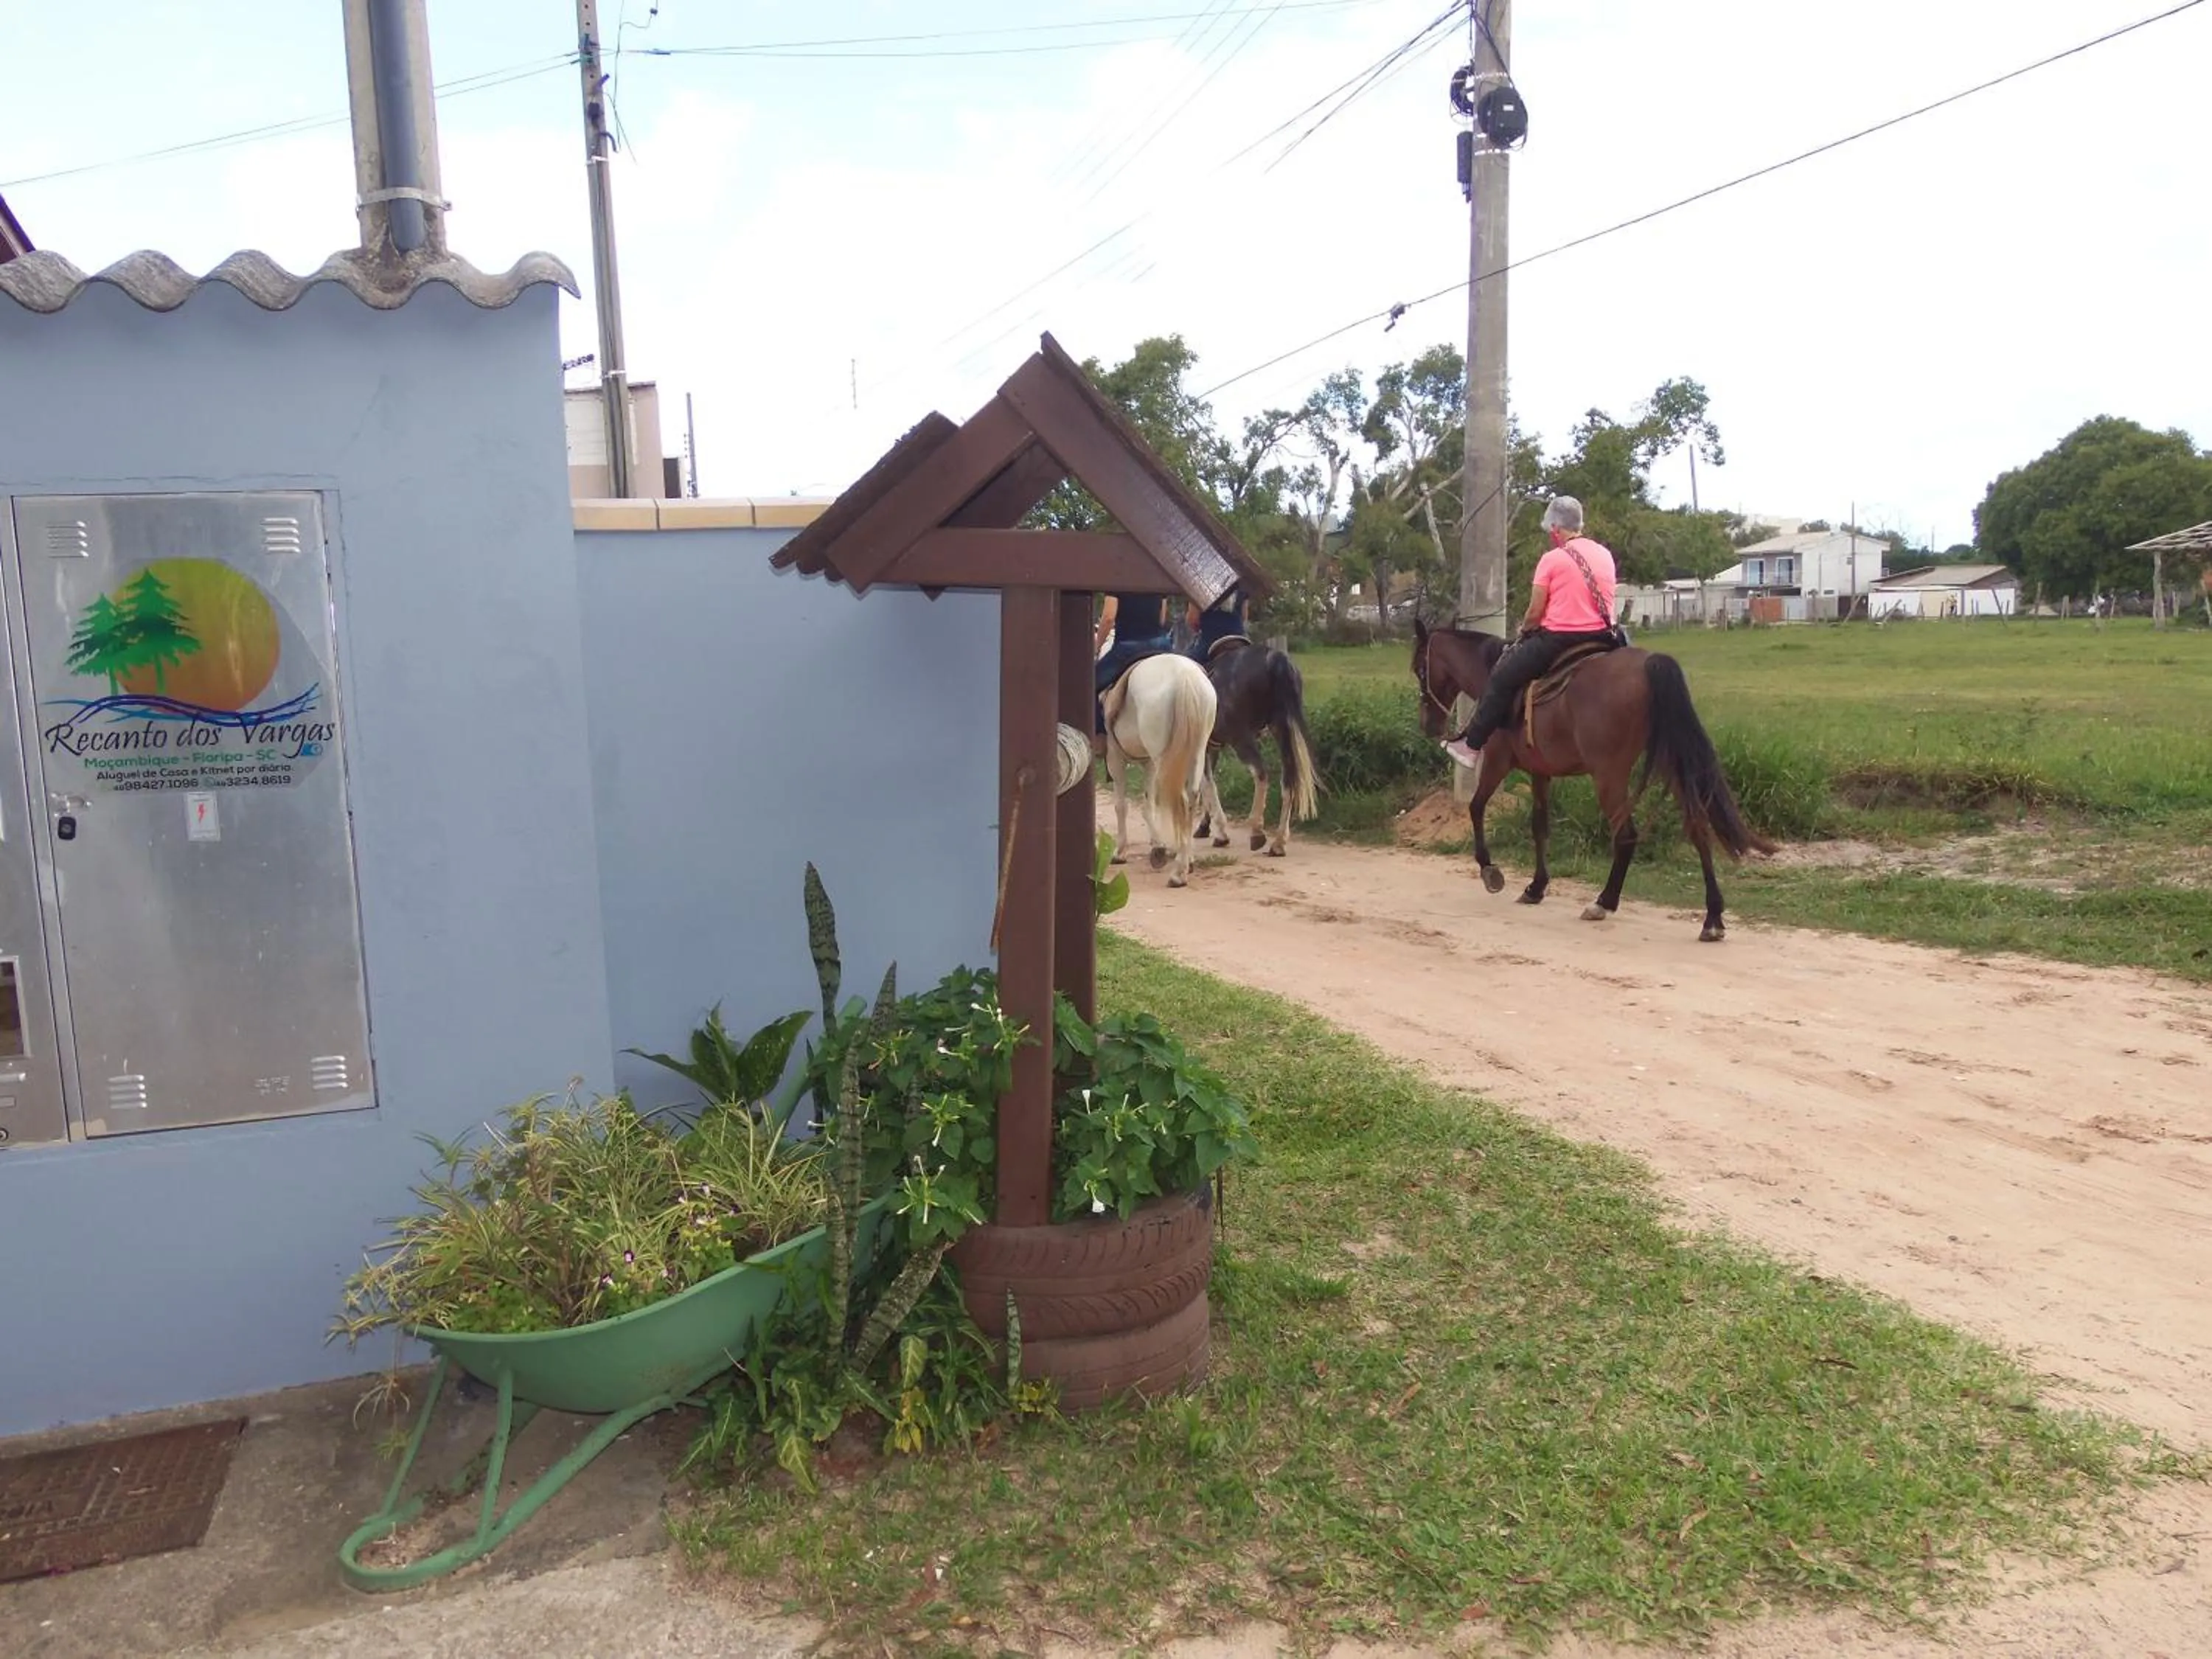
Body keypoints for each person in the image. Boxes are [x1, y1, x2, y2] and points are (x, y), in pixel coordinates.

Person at [1441, 495, 1621, 769]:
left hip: (1560, 640)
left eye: (1551, 530)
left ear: (1556, 529)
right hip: (1605, 637)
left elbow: (1536, 612)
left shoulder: (1552, 559)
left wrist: (1524, 629)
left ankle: (1472, 745)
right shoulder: (1604, 554)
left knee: (1500, 678)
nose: (1551, 535)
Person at [1093, 588, 1175, 746]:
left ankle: (1100, 737)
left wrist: (1097, 647)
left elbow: (1109, 618)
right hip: (1161, 645)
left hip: (1128, 647)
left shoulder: (1116, 578)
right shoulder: (1158, 579)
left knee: (1089, 684)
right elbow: (1161, 619)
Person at [1186, 582, 1250, 662]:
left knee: (1188, 662)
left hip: (1210, 638)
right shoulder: (1241, 585)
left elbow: (1193, 619)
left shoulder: (1200, 584)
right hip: (1237, 635)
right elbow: (1244, 616)